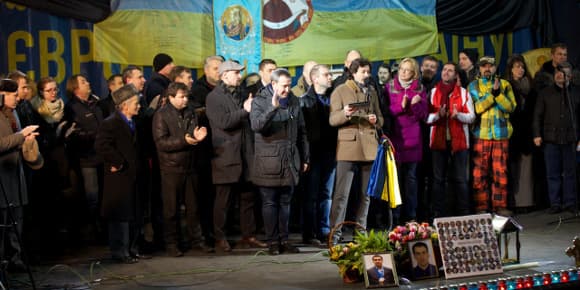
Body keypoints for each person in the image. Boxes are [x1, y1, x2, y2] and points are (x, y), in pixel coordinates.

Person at [206, 60, 267, 252]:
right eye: (236, 73)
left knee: (247, 198)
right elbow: (223, 122)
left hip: (245, 155)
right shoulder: (213, 97)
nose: (240, 76)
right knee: (223, 200)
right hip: (225, 156)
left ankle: (248, 235)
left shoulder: (241, 93)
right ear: (224, 76)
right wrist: (245, 110)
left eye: (240, 73)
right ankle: (220, 237)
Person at [250, 68, 309, 255]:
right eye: (284, 86)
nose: (287, 89)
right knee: (269, 203)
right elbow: (257, 126)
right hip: (269, 162)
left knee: (286, 203)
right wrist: (272, 107)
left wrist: (305, 156)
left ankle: (284, 240)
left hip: (290, 160)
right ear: (273, 84)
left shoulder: (293, 100)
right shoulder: (260, 101)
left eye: (289, 85)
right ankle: (272, 242)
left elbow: (302, 130)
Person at [329, 58, 383, 244]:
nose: (366, 75)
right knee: (342, 195)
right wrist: (345, 113)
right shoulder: (340, 91)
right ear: (353, 72)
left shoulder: (372, 92)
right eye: (363, 72)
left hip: (369, 147)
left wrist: (376, 120)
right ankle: (334, 236)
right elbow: (333, 120)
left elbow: (381, 119)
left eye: (368, 72)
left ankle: (360, 235)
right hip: (348, 147)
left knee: (365, 195)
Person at [152, 82, 208, 257]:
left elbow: (191, 133)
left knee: (194, 208)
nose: (185, 100)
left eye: (186, 96)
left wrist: (197, 137)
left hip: (190, 167)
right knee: (171, 210)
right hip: (171, 168)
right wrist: (185, 141)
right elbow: (161, 143)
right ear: (170, 97)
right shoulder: (161, 115)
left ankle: (197, 241)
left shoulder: (190, 111)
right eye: (181, 97)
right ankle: (172, 243)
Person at [96, 84, 147, 264]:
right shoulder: (110, 123)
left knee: (134, 214)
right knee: (120, 216)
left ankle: (133, 249)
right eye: (136, 103)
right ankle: (119, 251)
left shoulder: (136, 123)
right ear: (124, 105)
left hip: (134, 176)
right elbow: (102, 146)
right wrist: (118, 162)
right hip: (119, 176)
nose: (139, 106)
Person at [0, 78, 42, 272]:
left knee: (18, 220)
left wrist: (27, 141)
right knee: (4, 222)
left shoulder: (14, 113)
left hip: (17, 175)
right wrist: (22, 136)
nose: (17, 98)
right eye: (13, 95)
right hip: (3, 178)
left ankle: (16, 259)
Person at [469, 56, 516, 216]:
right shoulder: (473, 86)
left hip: (501, 135)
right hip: (481, 135)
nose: (487, 69)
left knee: (500, 171)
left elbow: (510, 107)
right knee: (479, 173)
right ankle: (481, 207)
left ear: (495, 68)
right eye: (484, 66)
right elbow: (478, 107)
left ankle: (500, 206)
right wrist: (493, 95)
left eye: (490, 66)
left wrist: (499, 94)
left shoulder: (505, 84)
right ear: (479, 68)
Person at [427, 62, 475, 218]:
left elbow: (471, 117)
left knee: (461, 180)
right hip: (438, 143)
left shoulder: (463, 93)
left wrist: (458, 115)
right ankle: (438, 215)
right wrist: (437, 115)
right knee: (438, 180)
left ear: (456, 75)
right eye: (444, 70)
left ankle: (464, 214)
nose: (446, 72)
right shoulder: (433, 92)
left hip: (459, 143)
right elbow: (426, 118)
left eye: (450, 71)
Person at [533, 62, 579, 214]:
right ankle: (555, 203)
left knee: (570, 172)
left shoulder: (575, 92)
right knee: (552, 173)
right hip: (550, 139)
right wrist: (537, 134)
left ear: (570, 76)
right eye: (557, 72)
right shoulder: (545, 93)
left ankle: (570, 202)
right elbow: (537, 116)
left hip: (570, 139)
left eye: (563, 72)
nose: (560, 75)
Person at [386, 57, 428, 223]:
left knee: (411, 181)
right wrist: (402, 106)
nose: (403, 72)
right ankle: (394, 218)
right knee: (395, 182)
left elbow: (423, 115)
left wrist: (415, 105)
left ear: (414, 73)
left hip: (413, 142)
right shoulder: (389, 87)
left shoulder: (420, 89)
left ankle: (411, 217)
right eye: (401, 69)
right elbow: (387, 110)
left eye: (407, 70)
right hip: (395, 140)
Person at [299, 64, 337, 245]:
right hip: (313, 155)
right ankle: (310, 233)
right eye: (326, 74)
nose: (330, 77)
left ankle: (324, 230)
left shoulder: (333, 99)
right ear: (314, 78)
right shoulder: (303, 101)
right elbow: (303, 133)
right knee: (311, 195)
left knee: (327, 194)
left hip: (330, 153)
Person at [64, 74, 104, 241]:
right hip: (87, 159)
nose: (88, 83)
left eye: (86, 80)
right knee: (91, 196)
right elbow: (73, 135)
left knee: (102, 195)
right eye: (83, 81)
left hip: (102, 157)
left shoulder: (96, 103)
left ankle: (102, 228)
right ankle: (92, 230)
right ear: (75, 89)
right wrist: (93, 136)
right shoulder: (72, 107)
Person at [505, 54, 536, 210]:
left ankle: (526, 202)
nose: (520, 69)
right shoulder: (507, 86)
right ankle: (513, 203)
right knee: (513, 169)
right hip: (512, 133)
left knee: (527, 170)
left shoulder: (530, 86)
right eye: (517, 66)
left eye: (522, 67)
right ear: (510, 70)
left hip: (527, 133)